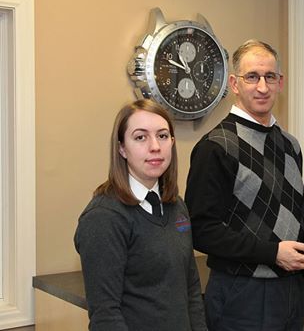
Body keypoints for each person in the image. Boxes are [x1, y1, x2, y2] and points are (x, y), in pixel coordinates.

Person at [185, 39, 304, 331]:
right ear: (234, 84)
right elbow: (202, 231)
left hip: (290, 290)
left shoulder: (290, 145)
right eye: (252, 77)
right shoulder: (215, 147)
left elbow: (293, 219)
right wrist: (272, 253)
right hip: (240, 293)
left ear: (280, 82)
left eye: (270, 77)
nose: (262, 87)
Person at [75, 99, 207, 331]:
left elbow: (191, 291)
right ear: (122, 148)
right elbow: (105, 316)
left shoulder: (176, 206)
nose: (155, 146)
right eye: (140, 137)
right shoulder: (103, 218)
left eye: (163, 136)